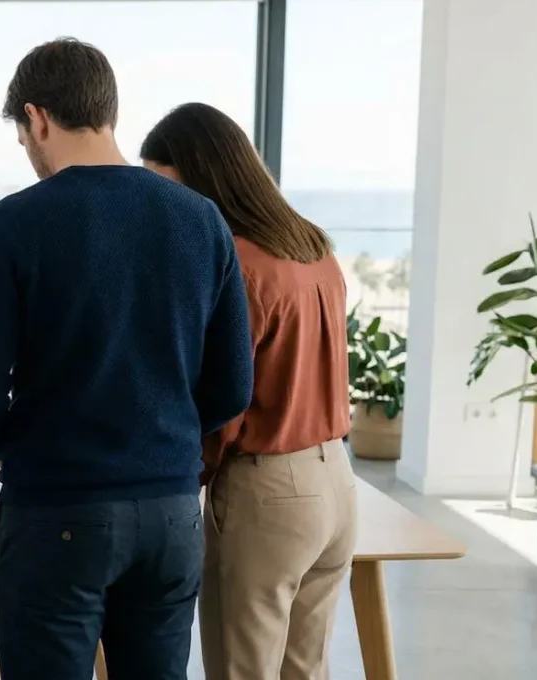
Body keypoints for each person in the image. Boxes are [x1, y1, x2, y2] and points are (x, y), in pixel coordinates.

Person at [0, 39, 255, 680]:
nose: (29, 152)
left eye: (24, 135)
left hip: (56, 509)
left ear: (37, 118)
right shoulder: (201, 220)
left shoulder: (14, 222)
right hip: (171, 513)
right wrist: (161, 435)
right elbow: (232, 386)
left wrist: (24, 447)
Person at [140, 102, 355, 680]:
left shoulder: (237, 261)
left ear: (201, 177)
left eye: (167, 186)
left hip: (270, 490)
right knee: (305, 669)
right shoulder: (315, 248)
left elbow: (225, 396)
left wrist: (186, 474)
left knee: (241, 670)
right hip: (335, 476)